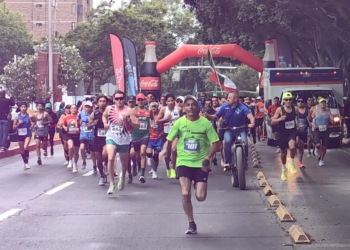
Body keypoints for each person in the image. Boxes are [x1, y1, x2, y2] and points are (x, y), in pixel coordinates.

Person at [166, 95, 220, 234]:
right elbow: (169, 139)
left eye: (193, 104)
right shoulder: (179, 123)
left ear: (198, 107)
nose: (190, 107)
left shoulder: (205, 123)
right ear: (184, 108)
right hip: (184, 161)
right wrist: (166, 154)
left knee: (200, 197)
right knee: (185, 193)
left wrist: (208, 156)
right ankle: (191, 223)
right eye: (187, 105)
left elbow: (216, 143)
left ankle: (199, 183)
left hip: (201, 162)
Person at [203, 91, 255, 170]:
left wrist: (252, 123)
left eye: (230, 98)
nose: (227, 99)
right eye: (228, 97)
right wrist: (208, 116)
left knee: (245, 144)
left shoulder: (243, 107)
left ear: (235, 99)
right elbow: (215, 117)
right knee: (227, 142)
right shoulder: (224, 107)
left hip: (241, 130)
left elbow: (250, 116)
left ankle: (245, 161)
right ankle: (228, 162)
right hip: (228, 130)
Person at [103, 90, 137, 194]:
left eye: (121, 98)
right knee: (111, 157)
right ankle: (112, 184)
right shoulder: (109, 108)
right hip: (111, 136)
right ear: (114, 99)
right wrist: (105, 123)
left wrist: (129, 120)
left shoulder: (129, 110)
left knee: (124, 162)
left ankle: (122, 176)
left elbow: (137, 125)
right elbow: (104, 116)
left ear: (124, 99)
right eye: (117, 98)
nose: (119, 100)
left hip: (124, 138)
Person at [271, 92, 298, 181]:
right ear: (283, 101)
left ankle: (292, 163)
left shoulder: (295, 108)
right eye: (286, 100)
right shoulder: (280, 109)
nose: (288, 101)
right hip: (282, 133)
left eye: (290, 99)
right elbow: (272, 121)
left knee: (292, 147)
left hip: (292, 132)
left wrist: (298, 124)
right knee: (283, 153)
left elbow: (297, 117)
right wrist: (280, 119)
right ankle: (283, 169)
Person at [158, 93, 182, 178]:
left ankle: (173, 168)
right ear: (166, 102)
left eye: (172, 100)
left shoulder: (179, 109)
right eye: (169, 101)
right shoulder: (163, 109)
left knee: (174, 149)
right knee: (167, 154)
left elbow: (183, 119)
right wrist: (165, 118)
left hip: (176, 133)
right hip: (167, 133)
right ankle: (167, 167)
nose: (171, 102)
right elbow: (157, 120)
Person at [89, 96, 108, 185]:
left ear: (106, 103)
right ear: (97, 103)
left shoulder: (109, 113)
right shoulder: (94, 114)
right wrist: (93, 123)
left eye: (104, 101)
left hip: (107, 138)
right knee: (99, 160)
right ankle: (102, 176)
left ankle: (107, 165)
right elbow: (88, 126)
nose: (102, 103)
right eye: (100, 101)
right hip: (97, 138)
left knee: (105, 154)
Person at [310, 98, 335, 166]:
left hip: (325, 130)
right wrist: (313, 124)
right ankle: (316, 148)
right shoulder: (316, 110)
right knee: (318, 144)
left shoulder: (328, 111)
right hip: (317, 130)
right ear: (319, 104)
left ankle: (321, 160)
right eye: (321, 103)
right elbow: (311, 118)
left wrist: (332, 120)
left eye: (324, 103)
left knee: (324, 146)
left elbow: (331, 118)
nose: (323, 104)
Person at [13, 102, 33, 170]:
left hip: (27, 134)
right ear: (19, 108)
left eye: (24, 107)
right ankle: (25, 163)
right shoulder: (17, 116)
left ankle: (27, 163)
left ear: (26, 108)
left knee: (25, 147)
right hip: (20, 134)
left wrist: (32, 126)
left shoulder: (29, 116)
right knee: (22, 150)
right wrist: (18, 124)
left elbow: (33, 123)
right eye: (22, 107)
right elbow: (13, 127)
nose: (23, 108)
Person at [147, 101, 164, 179]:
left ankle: (154, 171)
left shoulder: (160, 116)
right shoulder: (148, 116)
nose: (153, 108)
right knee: (149, 154)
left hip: (158, 138)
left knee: (156, 156)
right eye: (152, 106)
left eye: (155, 106)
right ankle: (149, 158)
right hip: (150, 138)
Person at [62, 105, 81, 173]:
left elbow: (82, 125)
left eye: (75, 108)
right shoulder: (66, 117)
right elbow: (63, 124)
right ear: (70, 109)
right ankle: (70, 161)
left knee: (76, 152)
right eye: (72, 108)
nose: (73, 109)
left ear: (77, 109)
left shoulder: (79, 116)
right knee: (70, 147)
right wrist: (65, 127)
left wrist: (79, 128)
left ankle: (75, 164)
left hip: (77, 135)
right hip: (69, 135)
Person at [78, 101, 95, 170]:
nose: (87, 108)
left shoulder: (94, 114)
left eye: (89, 107)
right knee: (82, 148)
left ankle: (94, 165)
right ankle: (84, 162)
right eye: (86, 106)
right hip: (83, 134)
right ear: (84, 107)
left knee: (92, 152)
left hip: (91, 135)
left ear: (91, 108)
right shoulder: (81, 114)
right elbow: (77, 121)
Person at [295, 96, 308, 168]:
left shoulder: (306, 110)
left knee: (301, 145)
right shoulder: (294, 109)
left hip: (304, 130)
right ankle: (293, 157)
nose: (300, 103)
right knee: (296, 143)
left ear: (304, 103)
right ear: (297, 103)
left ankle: (300, 162)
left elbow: (309, 119)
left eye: (302, 101)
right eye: (298, 101)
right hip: (296, 130)